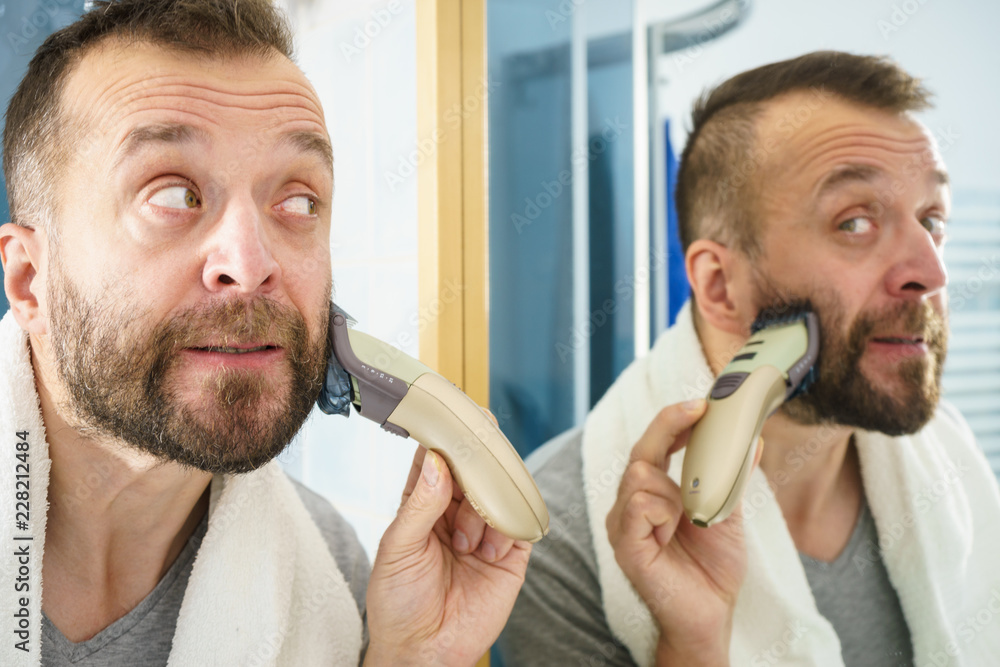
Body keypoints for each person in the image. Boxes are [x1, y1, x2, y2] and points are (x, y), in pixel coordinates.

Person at [0, 1, 530, 665]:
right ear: (31, 280)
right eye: (175, 195)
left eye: (298, 202)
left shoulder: (332, 574)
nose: (251, 265)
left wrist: (409, 658)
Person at [498, 51, 1000, 667]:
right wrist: (693, 643)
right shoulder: (558, 534)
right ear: (719, 287)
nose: (931, 271)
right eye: (855, 223)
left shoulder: (951, 458)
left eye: (932, 220)